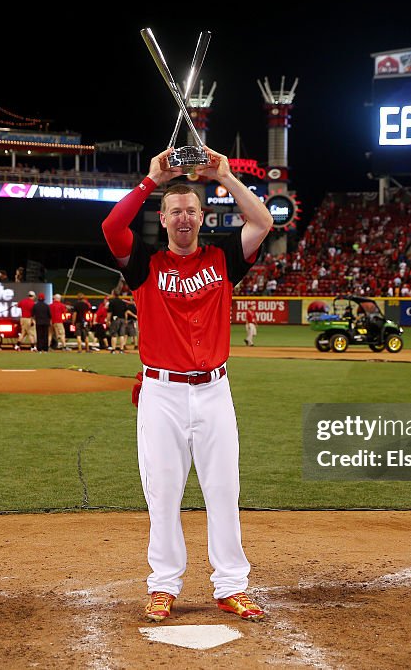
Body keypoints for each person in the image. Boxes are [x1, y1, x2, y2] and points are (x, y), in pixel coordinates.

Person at [102, 146, 274, 623]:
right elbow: (112, 228)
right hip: (162, 393)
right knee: (163, 492)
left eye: (191, 211)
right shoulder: (144, 265)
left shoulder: (222, 259)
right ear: (163, 216)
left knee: (223, 489)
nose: (183, 218)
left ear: (202, 217)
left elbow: (262, 224)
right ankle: (163, 585)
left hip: (214, 390)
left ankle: (231, 585)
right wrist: (151, 180)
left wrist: (227, 175)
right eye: (175, 211)